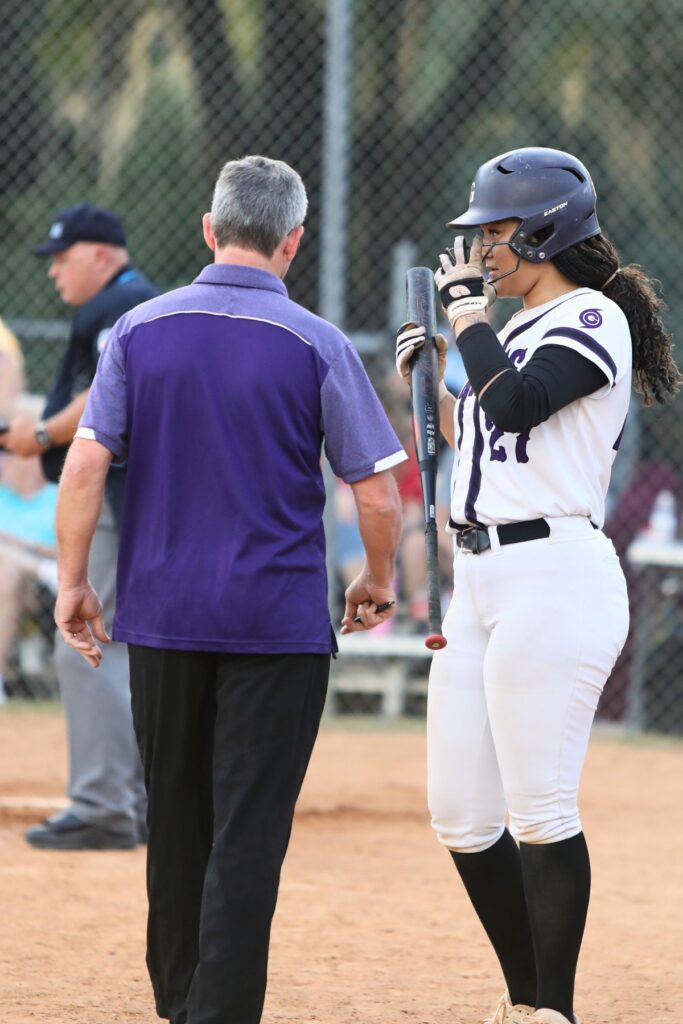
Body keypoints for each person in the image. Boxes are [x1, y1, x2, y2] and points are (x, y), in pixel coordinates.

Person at [53, 155, 405, 1024]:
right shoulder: (317, 343)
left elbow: (87, 460)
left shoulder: (136, 329)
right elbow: (375, 490)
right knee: (247, 837)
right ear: (292, 241)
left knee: (173, 824)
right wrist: (377, 578)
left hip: (164, 618)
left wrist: (71, 583)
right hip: (278, 627)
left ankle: (179, 1003)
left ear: (208, 230)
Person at [395, 146, 680, 1024]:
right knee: (458, 815)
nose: (479, 249)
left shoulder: (593, 318)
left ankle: (548, 1010)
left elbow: (521, 405)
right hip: (478, 575)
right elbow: (488, 432)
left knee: (539, 809)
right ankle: (525, 1001)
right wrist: (432, 371)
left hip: (554, 575)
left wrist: (468, 326)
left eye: (495, 232)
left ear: (546, 230)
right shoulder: (507, 331)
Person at [2, 203, 157, 849]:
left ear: (101, 254)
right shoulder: (132, 303)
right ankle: (145, 806)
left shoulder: (119, 307)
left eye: (62, 259)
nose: (54, 273)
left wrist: (38, 434)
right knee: (129, 650)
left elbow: (104, 397)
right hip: (138, 500)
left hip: (114, 500)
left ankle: (102, 806)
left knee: (86, 642)